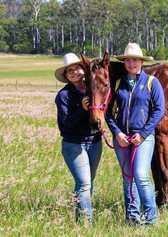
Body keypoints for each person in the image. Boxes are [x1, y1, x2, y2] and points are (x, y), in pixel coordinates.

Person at [106, 43, 164, 226]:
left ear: (141, 62)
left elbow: (159, 110)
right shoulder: (117, 84)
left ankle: (150, 218)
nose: (132, 63)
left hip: (143, 138)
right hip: (121, 138)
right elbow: (107, 112)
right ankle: (132, 218)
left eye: (135, 60)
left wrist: (144, 133)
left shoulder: (151, 82)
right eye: (128, 60)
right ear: (124, 62)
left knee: (140, 175)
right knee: (127, 177)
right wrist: (117, 133)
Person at [54, 53, 102, 225]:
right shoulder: (64, 96)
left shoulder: (92, 88)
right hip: (74, 145)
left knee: (88, 183)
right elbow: (65, 125)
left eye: (77, 68)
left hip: (95, 142)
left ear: (84, 70)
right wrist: (82, 109)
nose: (74, 72)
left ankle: (79, 219)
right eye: (69, 71)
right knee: (84, 184)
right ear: (66, 76)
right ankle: (86, 225)